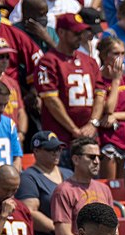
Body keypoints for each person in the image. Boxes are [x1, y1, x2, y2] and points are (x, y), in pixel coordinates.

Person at [35, 14, 103, 147]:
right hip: (61, 139)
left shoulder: (90, 61)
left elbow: (100, 94)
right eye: (76, 33)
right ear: (61, 32)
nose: (80, 37)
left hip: (90, 137)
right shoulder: (48, 62)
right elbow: (51, 100)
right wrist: (74, 130)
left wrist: (92, 123)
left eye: (82, 33)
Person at [50, 138, 114, 235]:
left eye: (100, 157)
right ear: (76, 159)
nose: (97, 161)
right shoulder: (63, 191)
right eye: (91, 157)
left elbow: (114, 227)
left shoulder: (105, 189)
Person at [95, 37, 125, 181]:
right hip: (107, 139)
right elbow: (107, 109)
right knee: (110, 184)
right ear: (104, 55)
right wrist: (115, 81)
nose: (120, 58)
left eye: (123, 54)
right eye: (116, 54)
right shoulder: (98, 79)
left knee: (123, 185)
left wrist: (116, 116)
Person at [18, 131, 71, 235]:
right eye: (50, 149)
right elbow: (29, 212)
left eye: (58, 148)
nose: (56, 152)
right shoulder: (29, 177)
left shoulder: (69, 174)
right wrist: (60, 229)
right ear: (36, 151)